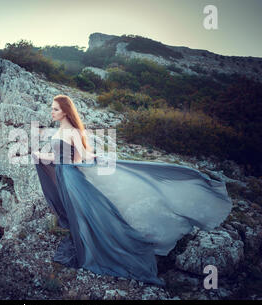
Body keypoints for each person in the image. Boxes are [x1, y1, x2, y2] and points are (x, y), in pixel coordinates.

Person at [31, 94, 233, 287]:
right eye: (52, 108)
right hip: (64, 177)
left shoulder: (73, 132)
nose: (52, 112)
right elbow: (59, 157)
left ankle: (106, 250)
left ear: (65, 111)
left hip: (72, 179)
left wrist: (100, 160)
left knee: (89, 215)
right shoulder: (58, 131)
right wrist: (39, 154)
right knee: (78, 215)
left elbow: (79, 158)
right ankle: (83, 241)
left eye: (55, 109)